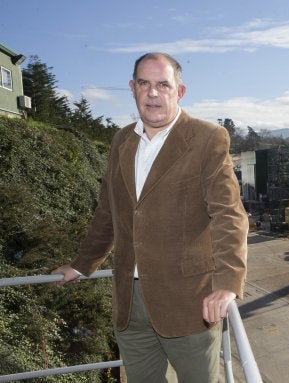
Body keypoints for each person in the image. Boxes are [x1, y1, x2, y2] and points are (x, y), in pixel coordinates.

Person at [51, 52, 248, 382]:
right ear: (132, 88)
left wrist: (227, 284)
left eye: (162, 84)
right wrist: (81, 264)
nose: (153, 93)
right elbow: (107, 212)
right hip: (131, 304)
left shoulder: (207, 138)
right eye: (144, 83)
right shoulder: (121, 140)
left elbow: (228, 215)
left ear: (179, 92)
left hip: (189, 303)